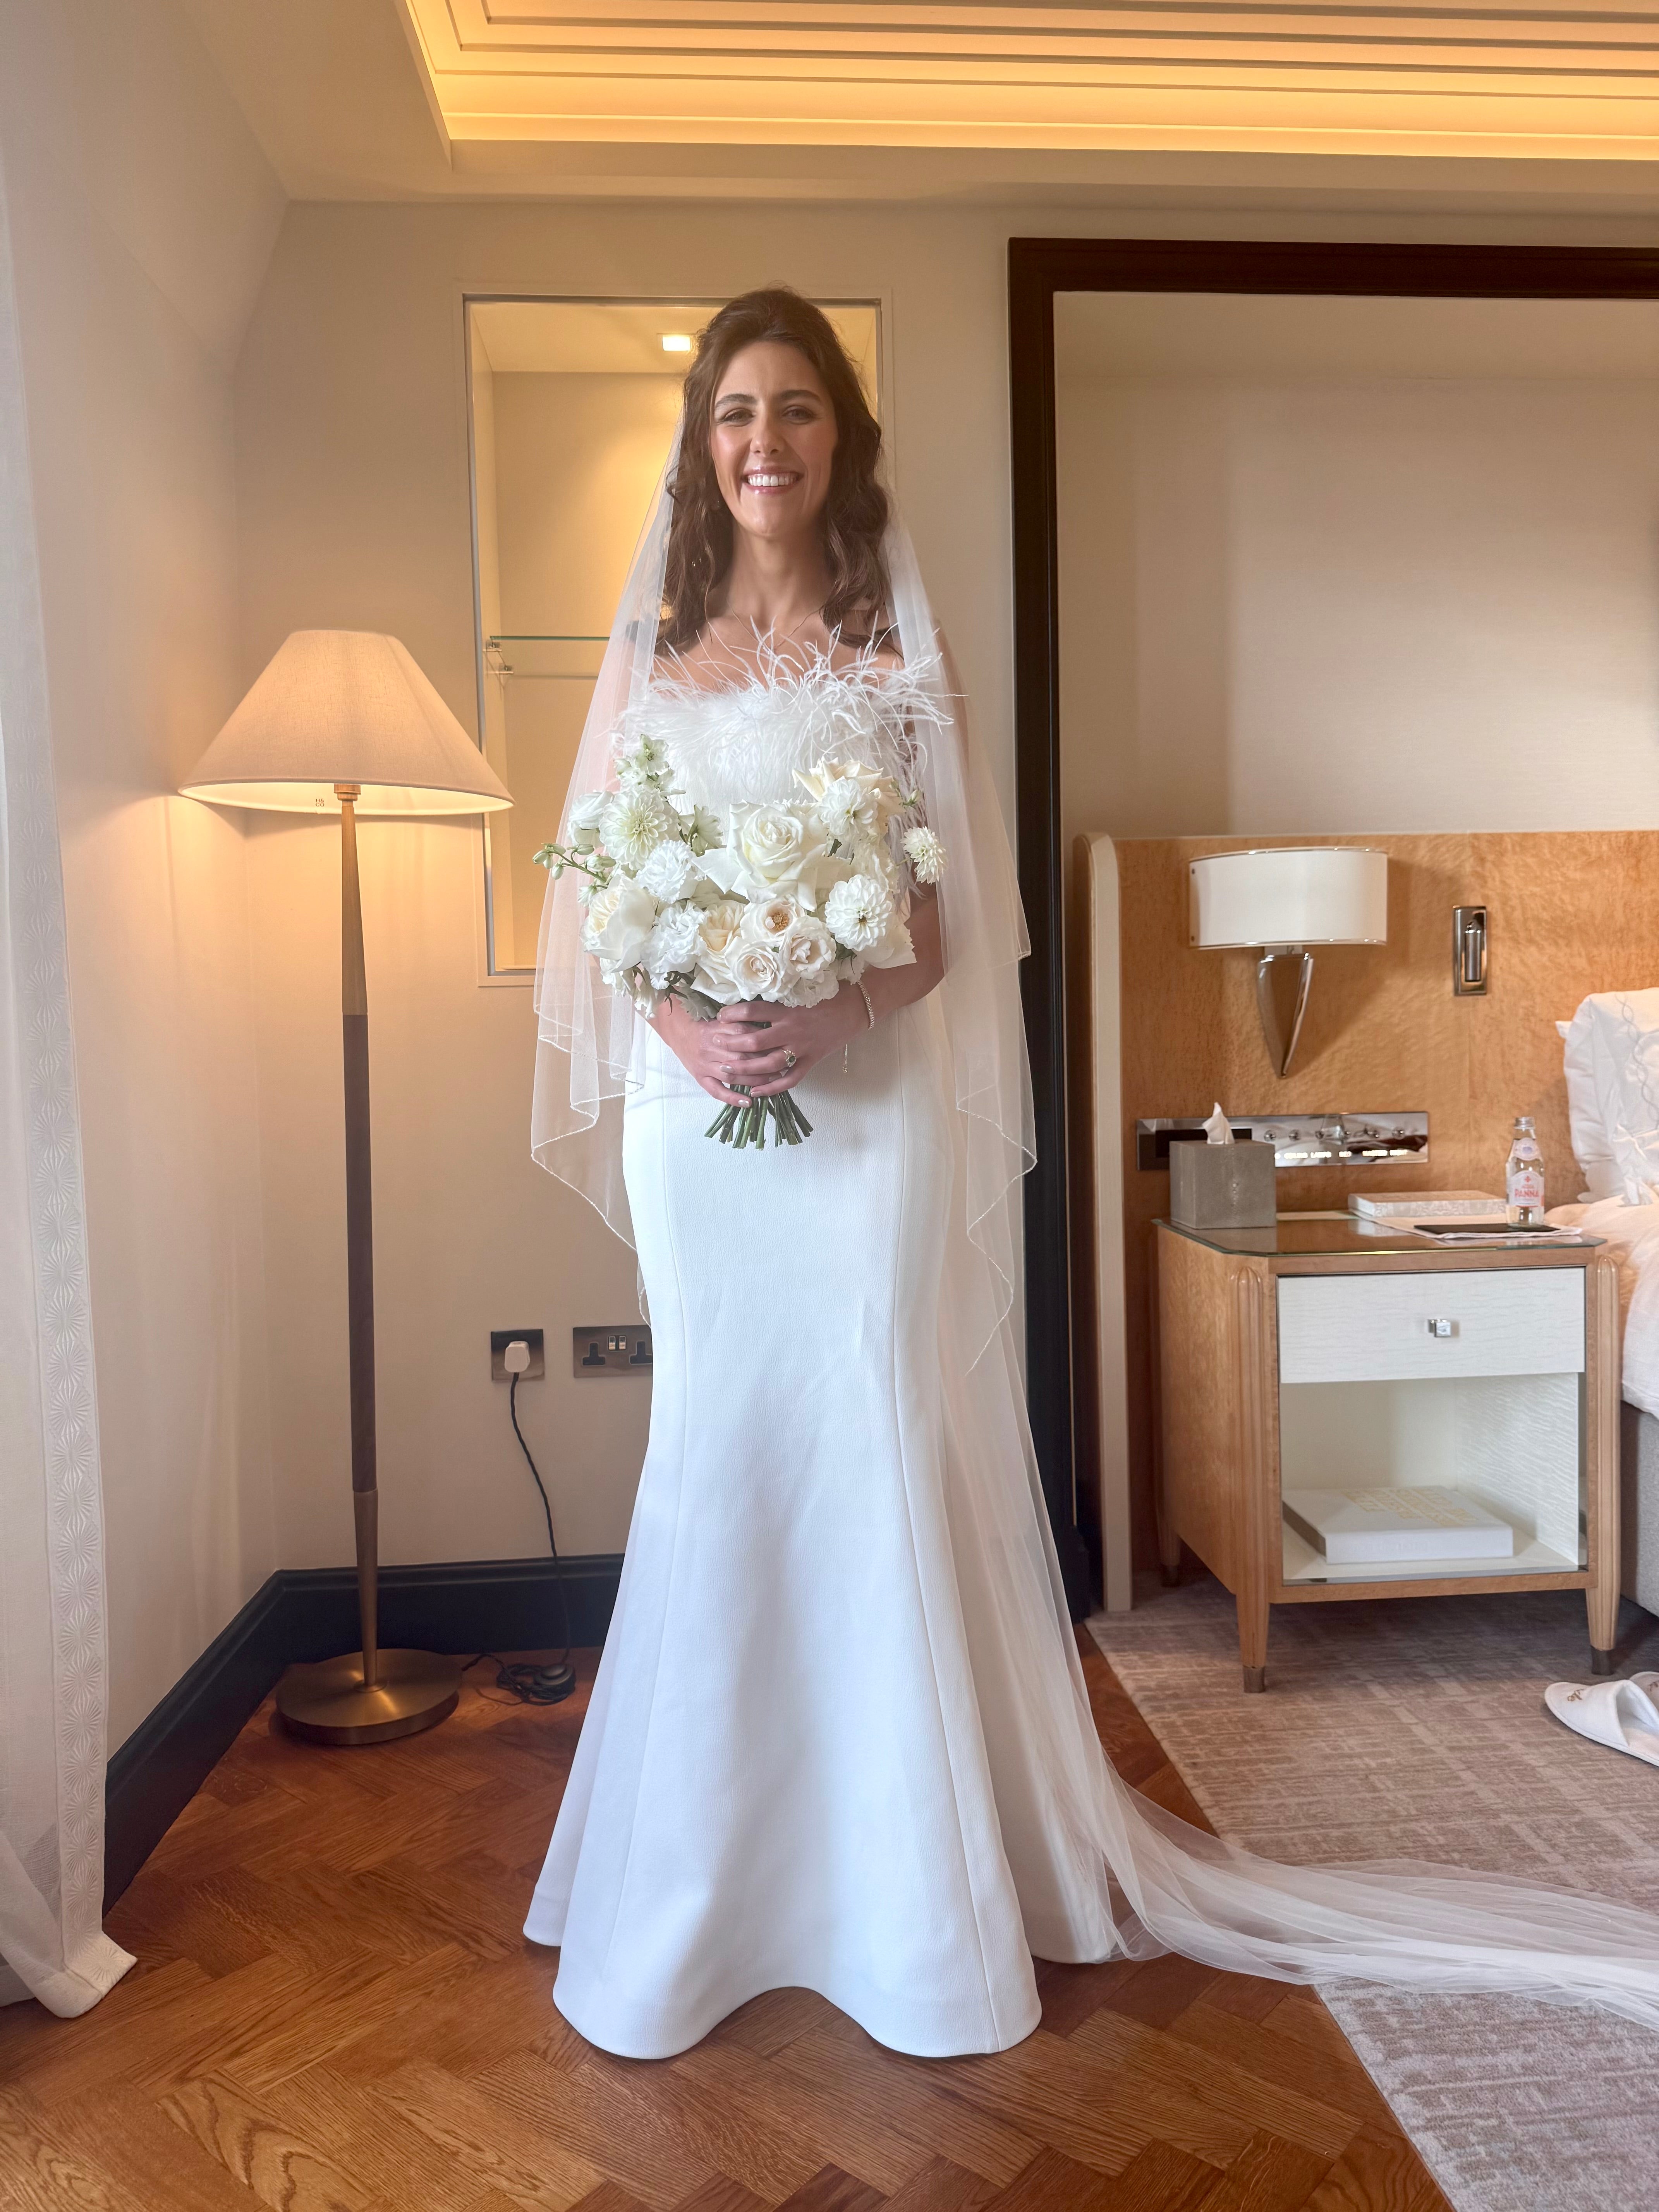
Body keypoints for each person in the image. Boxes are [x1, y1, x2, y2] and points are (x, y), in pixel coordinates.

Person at [524, 287, 1659, 2061]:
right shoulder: (654, 664)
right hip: (706, 1129)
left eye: (800, 409)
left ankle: (907, 1896)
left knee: (873, 1426)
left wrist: (826, 1023)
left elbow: (943, 927)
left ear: (843, 442)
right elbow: (609, 900)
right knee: (719, 1440)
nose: (767, 441)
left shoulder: (899, 655)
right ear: (703, 447)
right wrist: (688, 1035)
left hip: (868, 1108)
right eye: (738, 410)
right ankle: (692, 1888)